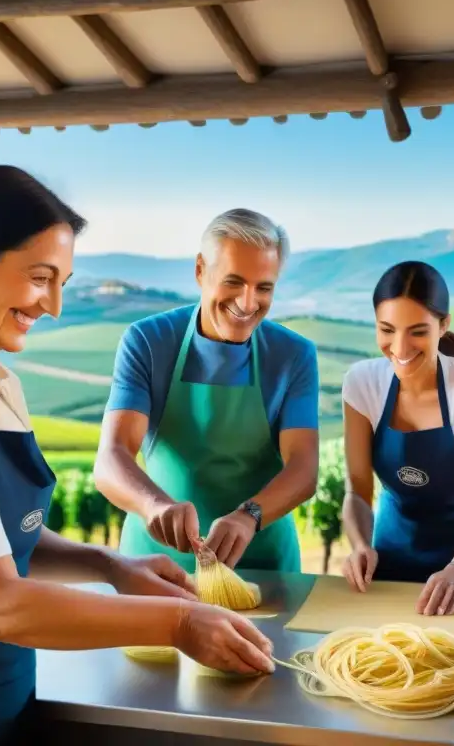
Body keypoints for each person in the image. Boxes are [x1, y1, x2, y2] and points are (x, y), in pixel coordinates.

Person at [0, 167, 275, 746]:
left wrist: (109, 566)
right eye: (41, 278)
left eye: (63, 282)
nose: (54, 305)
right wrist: (180, 622)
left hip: (2, 696)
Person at [94, 208, 319, 573]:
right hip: (157, 567)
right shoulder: (148, 343)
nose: (247, 303)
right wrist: (154, 505)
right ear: (201, 270)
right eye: (233, 282)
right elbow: (111, 457)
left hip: (263, 567)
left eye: (264, 287)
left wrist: (250, 515)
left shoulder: (293, 355)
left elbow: (303, 468)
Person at [339, 261, 454, 617]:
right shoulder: (362, 384)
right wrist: (360, 545)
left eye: (417, 331)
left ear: (444, 324)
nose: (400, 347)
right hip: (392, 564)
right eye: (387, 330)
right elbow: (356, 491)